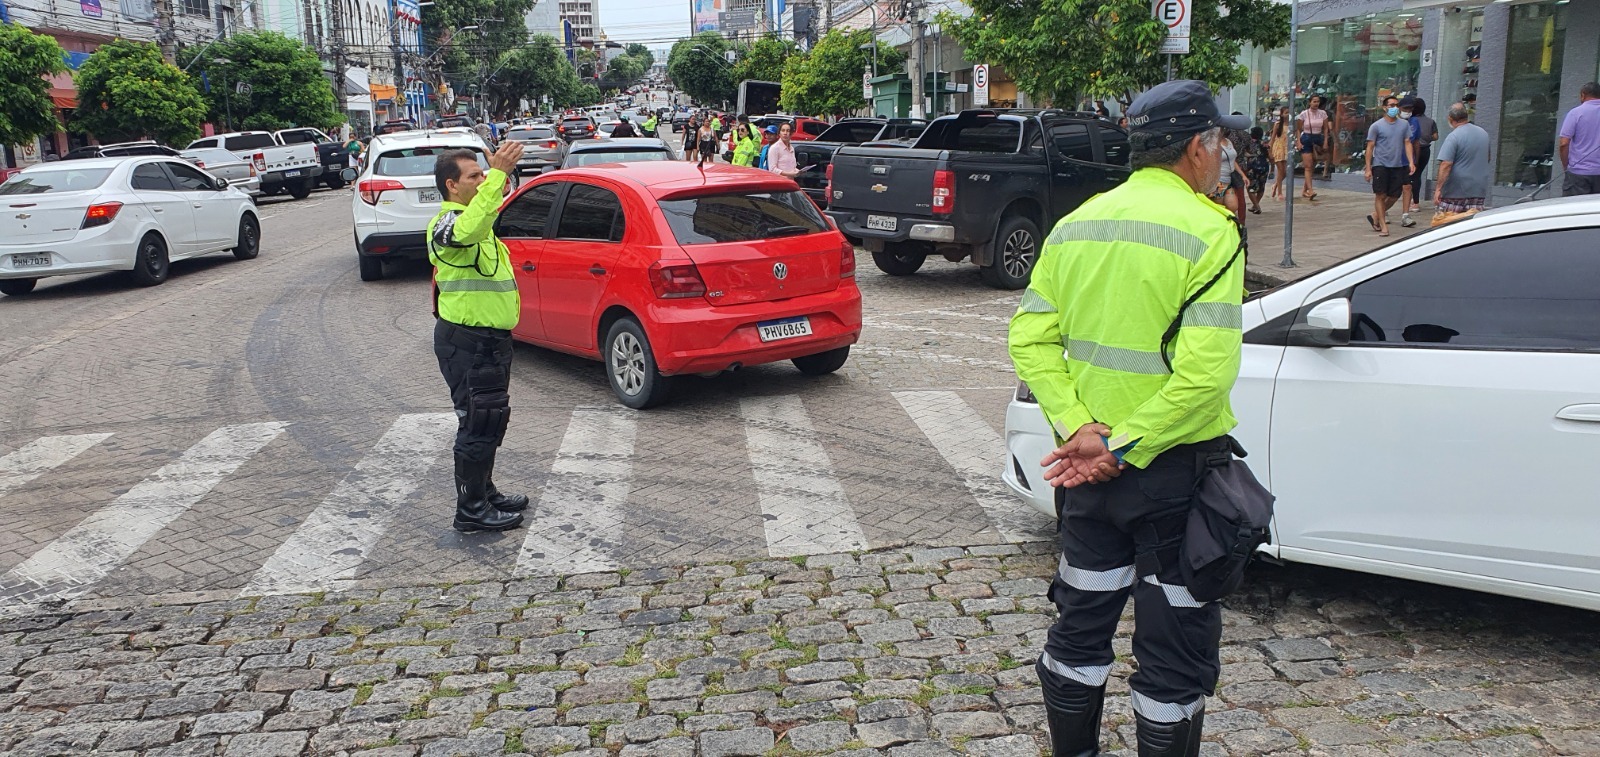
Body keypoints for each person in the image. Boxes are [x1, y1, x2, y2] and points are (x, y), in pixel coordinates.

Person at [1009, 79, 1247, 757]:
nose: (1223, 153)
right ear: (1199, 147)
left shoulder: (1075, 225)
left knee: (1080, 626)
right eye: (1220, 140)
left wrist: (1080, 428)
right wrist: (1126, 440)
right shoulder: (1211, 232)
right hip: (1171, 475)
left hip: (1086, 475)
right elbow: (1204, 377)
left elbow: (1029, 338)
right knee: (1173, 647)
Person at [427, 142, 528, 533]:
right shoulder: (447, 225)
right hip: (468, 342)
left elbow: (483, 220)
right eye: (475, 176)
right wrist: (500, 174)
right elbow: (469, 228)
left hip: (489, 341)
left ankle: (485, 492)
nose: (483, 180)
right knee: (477, 423)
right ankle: (470, 510)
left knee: (490, 421)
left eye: (483, 174)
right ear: (452, 186)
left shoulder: (477, 225)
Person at [1364, 95, 1415, 237]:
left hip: (1397, 164)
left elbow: (1407, 142)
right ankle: (1383, 224)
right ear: (1384, 107)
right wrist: (1368, 168)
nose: (1394, 108)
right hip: (1380, 164)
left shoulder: (1403, 125)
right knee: (1380, 195)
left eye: (1396, 105)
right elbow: (1370, 147)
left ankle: (1375, 215)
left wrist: (1411, 162)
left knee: (1394, 195)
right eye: (1391, 105)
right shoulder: (1376, 126)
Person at [1433, 102, 1492, 220]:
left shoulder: (1454, 136)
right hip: (1478, 190)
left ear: (1450, 118)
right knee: (1473, 224)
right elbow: (1488, 158)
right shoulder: (1483, 133)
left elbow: (1446, 164)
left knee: (1447, 224)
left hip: (1455, 191)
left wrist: (1438, 189)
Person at [1398, 97, 1438, 226]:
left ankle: (1410, 204)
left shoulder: (1411, 121)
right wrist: (1427, 138)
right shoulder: (1430, 121)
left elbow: (1412, 141)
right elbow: (1436, 136)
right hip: (1424, 151)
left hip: (1409, 153)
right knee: (1417, 176)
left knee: (1408, 179)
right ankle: (1415, 202)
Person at [1558, 82, 1600, 196]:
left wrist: (1566, 165)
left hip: (1578, 174)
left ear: (1583, 95)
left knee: (1573, 209)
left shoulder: (1575, 113)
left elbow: (1564, 143)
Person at [1296, 95, 1329, 199]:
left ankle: (1305, 190)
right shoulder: (1304, 114)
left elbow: (1326, 129)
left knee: (1313, 166)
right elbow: (1298, 129)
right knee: (1308, 166)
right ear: (1310, 102)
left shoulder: (1323, 113)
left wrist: (1325, 141)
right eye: (1314, 101)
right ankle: (1310, 190)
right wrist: (1298, 142)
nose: (1316, 103)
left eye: (1317, 101)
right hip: (1306, 138)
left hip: (1318, 138)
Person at [1244, 126, 1269, 214]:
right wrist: (1273, 168)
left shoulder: (1248, 143)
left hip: (1253, 167)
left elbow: (1245, 153)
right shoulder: (1264, 143)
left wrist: (1251, 156)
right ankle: (1255, 205)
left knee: (1250, 187)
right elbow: (1270, 155)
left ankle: (1257, 206)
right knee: (1261, 187)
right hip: (1264, 166)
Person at [1269, 106, 1290, 199]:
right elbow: (1273, 138)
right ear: (1281, 114)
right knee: (1280, 170)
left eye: (1289, 112)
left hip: (1286, 148)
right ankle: (1280, 193)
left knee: (1285, 172)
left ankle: (1276, 185)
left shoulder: (1291, 124)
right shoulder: (1278, 124)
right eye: (1286, 113)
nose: (1288, 114)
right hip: (1278, 147)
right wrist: (1270, 150)